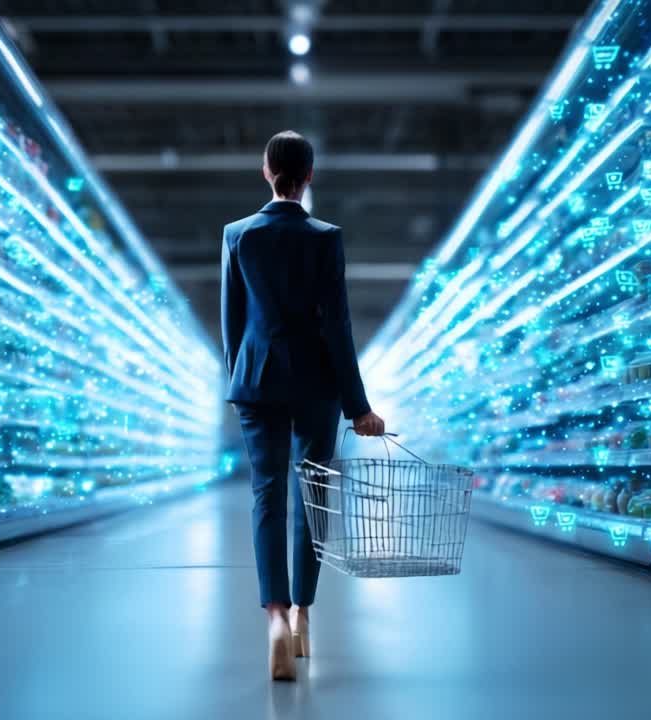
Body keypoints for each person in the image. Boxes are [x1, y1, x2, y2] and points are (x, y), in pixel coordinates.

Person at [221, 130, 386, 682]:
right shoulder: (326, 237)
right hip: (315, 381)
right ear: (309, 176)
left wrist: (240, 377)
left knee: (267, 494)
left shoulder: (237, 235)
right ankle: (303, 618)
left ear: (266, 171)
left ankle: (273, 617)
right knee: (313, 495)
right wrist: (357, 405)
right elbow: (337, 325)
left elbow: (233, 323)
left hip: (258, 379)